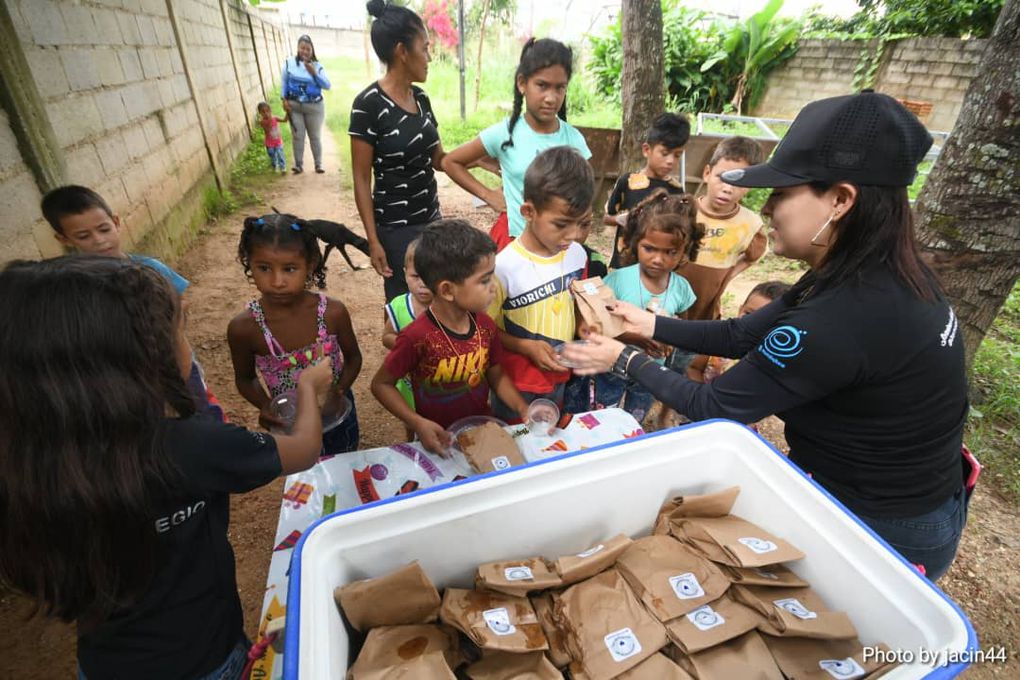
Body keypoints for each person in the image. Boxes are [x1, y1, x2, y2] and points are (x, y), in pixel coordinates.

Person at [562, 91, 970, 581]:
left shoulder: (842, 317)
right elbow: (741, 333)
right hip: (907, 496)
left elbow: (714, 406)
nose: (768, 206)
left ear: (840, 200)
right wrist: (643, 323)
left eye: (783, 192)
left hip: (882, 521)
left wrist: (622, 360)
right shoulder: (866, 272)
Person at [0, 255, 333, 679]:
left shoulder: (23, 460)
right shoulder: (188, 447)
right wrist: (306, 387)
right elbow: (302, 448)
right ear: (141, 358)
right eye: (179, 330)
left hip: (105, 665)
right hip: (208, 659)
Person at [40, 184, 223, 421]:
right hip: (123, 373)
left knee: (199, 409)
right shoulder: (76, 286)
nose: (99, 241)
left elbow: (180, 306)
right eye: (83, 236)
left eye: (104, 229)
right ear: (63, 239)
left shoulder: (151, 270)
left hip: (172, 359)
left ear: (116, 222)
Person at [371, 220, 529, 454]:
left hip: (480, 432)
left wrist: (522, 408)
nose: (493, 287)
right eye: (484, 280)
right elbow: (381, 385)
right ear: (447, 290)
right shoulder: (417, 336)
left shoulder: (485, 326)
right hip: (437, 440)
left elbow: (496, 376)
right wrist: (417, 423)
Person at [227, 213, 362, 456]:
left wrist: (338, 391)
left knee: (344, 461)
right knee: (305, 474)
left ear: (310, 265)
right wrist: (265, 405)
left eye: (289, 269)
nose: (277, 281)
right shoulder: (245, 328)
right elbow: (245, 379)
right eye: (264, 268)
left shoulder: (332, 313)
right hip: (290, 422)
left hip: (335, 413)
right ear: (248, 262)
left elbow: (353, 359)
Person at [442, 38, 591, 252]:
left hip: (560, 249)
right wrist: (487, 195)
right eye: (542, 85)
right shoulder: (504, 134)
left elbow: (583, 197)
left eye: (559, 88)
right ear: (522, 83)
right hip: (516, 244)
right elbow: (450, 162)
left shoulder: (574, 139)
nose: (551, 97)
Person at [565, 191, 701, 421]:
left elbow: (682, 326)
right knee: (600, 413)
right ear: (635, 243)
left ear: (685, 250)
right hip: (611, 367)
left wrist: (670, 338)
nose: (658, 259)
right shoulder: (618, 280)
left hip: (650, 372)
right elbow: (596, 325)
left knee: (633, 416)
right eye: (650, 248)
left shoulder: (681, 288)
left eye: (670, 252)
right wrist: (635, 338)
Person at [487, 146, 592, 420]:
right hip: (514, 383)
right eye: (561, 224)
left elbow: (577, 298)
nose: (572, 235)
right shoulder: (503, 268)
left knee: (544, 435)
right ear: (529, 211)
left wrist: (583, 323)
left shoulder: (577, 255)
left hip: (558, 376)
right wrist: (525, 346)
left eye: (580, 224)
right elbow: (482, 332)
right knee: (515, 435)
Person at [351, 0, 445, 300]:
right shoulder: (368, 104)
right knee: (404, 301)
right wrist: (373, 240)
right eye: (424, 48)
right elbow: (361, 179)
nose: (429, 57)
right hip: (395, 228)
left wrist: (485, 157)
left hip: (431, 217)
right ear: (402, 51)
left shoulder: (421, 98)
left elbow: (439, 159)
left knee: (436, 295)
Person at [677, 136, 768, 321]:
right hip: (668, 304)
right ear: (707, 173)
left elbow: (754, 256)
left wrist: (727, 276)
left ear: (749, 186)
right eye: (721, 177)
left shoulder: (750, 224)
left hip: (706, 312)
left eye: (738, 181)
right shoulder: (680, 210)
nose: (727, 188)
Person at [604, 112, 691, 268]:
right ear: (646, 150)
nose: (670, 161)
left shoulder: (677, 190)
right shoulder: (627, 182)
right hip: (622, 267)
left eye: (677, 155)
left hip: (657, 268)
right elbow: (606, 218)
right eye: (664, 153)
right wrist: (621, 219)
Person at [685, 281, 791, 385]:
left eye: (765, 321)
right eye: (748, 313)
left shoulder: (774, 361)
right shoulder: (720, 341)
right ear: (740, 309)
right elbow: (694, 369)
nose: (753, 323)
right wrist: (702, 394)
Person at [381, 236, 433, 438]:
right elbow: (386, 336)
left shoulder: (449, 307)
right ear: (405, 274)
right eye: (416, 276)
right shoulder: (399, 307)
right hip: (410, 383)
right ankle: (410, 439)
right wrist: (407, 347)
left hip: (441, 384)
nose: (423, 284)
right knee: (410, 417)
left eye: (431, 277)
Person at [281, 34, 331, 174]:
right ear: (298, 48)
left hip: (314, 107)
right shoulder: (288, 63)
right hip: (294, 106)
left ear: (312, 50)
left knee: (314, 136)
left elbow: (327, 85)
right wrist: (283, 99)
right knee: (298, 136)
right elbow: (284, 82)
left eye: (308, 49)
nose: (305, 51)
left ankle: (318, 164)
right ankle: (298, 165)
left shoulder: (317, 66)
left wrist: (314, 73)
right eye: (302, 48)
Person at [257, 101, 289, 174]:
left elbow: (284, 120)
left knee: (280, 153)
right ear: (260, 113)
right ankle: (274, 165)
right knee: (271, 154)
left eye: (267, 111)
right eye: (263, 112)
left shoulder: (275, 118)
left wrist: (287, 112)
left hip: (277, 141)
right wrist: (270, 123)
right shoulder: (262, 122)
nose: (266, 113)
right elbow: (267, 131)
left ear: (270, 110)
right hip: (269, 143)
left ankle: (283, 167)